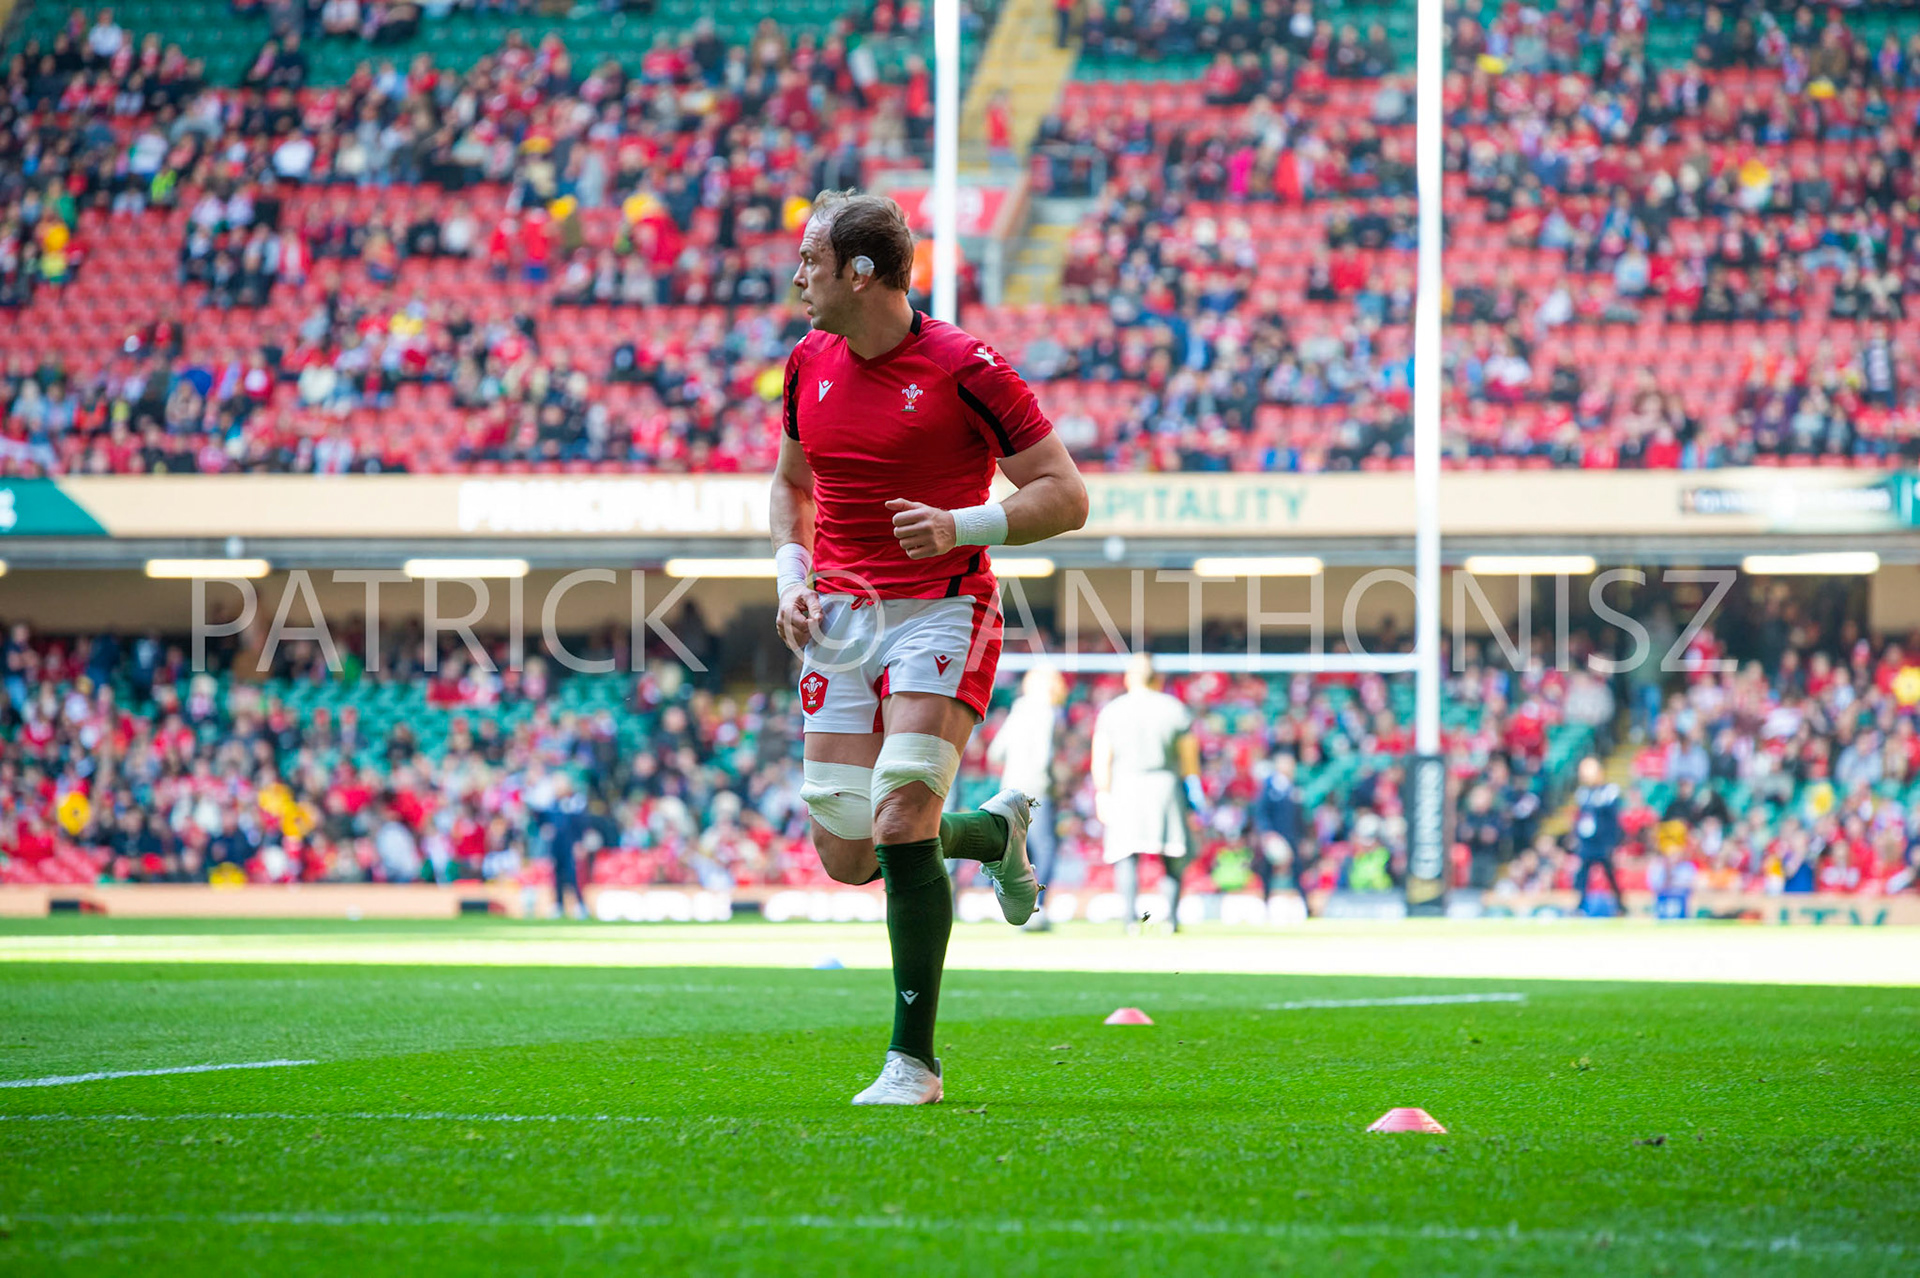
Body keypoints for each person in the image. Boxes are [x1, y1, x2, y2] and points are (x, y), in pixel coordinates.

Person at [771, 190, 1089, 1106]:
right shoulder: (806, 363)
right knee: (846, 847)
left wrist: (963, 522)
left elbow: (1065, 494)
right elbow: (789, 483)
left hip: (946, 606)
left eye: (810, 262)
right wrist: (793, 571)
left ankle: (914, 1061)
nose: (798, 277)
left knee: (901, 817)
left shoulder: (966, 367)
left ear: (859, 273)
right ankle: (994, 832)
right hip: (840, 615)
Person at [1091, 653, 1204, 934]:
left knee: (1125, 854)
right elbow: (1190, 760)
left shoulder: (1113, 711)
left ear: (1129, 678)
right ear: (1158, 679)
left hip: (1125, 786)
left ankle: (1130, 921)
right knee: (1173, 852)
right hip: (1165, 786)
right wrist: (1194, 798)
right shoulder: (1174, 709)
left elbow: (1101, 758)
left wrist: (1102, 793)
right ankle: (1172, 921)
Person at [986, 664, 1066, 930]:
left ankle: (1015, 906)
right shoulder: (1046, 710)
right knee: (1045, 849)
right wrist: (1052, 781)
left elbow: (996, 752)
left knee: (1018, 851)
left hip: (1010, 788)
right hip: (1037, 789)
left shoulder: (1018, 709)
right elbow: (1044, 754)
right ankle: (1037, 909)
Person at [1251, 751, 1314, 915]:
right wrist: (1267, 834)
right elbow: (1261, 813)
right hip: (1274, 837)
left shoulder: (1293, 787)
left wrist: (1303, 838)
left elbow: (1300, 817)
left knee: (1298, 872)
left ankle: (1306, 907)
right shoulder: (1269, 787)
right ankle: (1264, 905)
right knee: (1266, 872)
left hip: (1292, 836)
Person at [1569, 756, 1626, 913]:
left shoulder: (1609, 791)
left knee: (1609, 873)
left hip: (1603, 841)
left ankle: (1620, 904)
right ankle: (1580, 905)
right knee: (1584, 874)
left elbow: (1613, 818)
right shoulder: (1584, 793)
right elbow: (1581, 818)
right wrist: (1577, 836)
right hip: (1588, 841)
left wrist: (1613, 842)